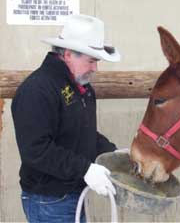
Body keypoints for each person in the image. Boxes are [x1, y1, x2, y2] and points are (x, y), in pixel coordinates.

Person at [11, 14, 122, 223]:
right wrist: (85, 169)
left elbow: (83, 133)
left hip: (72, 194)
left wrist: (114, 154)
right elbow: (36, 150)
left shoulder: (81, 88)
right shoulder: (37, 90)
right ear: (69, 54)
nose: (95, 68)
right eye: (91, 61)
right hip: (49, 200)